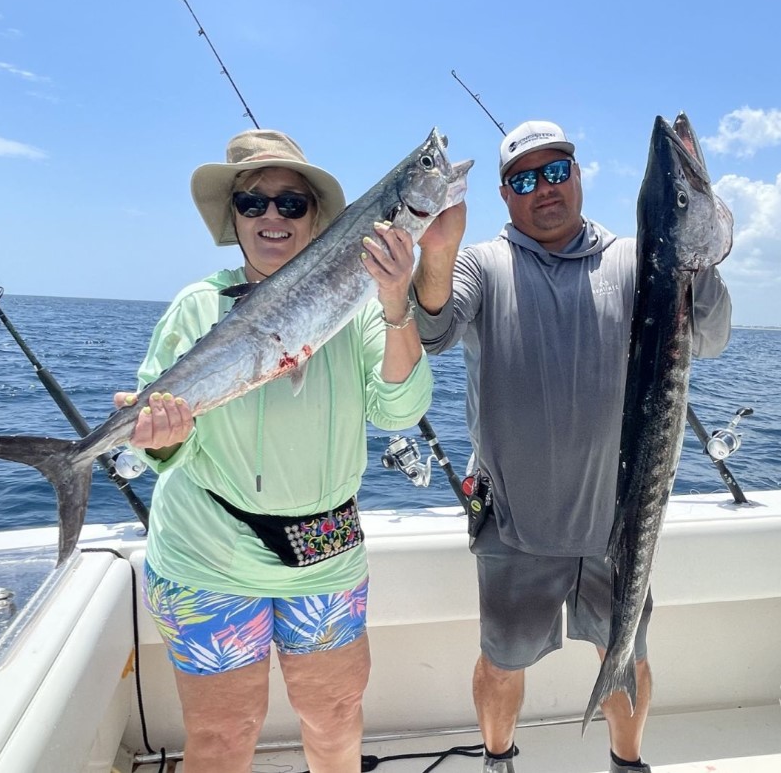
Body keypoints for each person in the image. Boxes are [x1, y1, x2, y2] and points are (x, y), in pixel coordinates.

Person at [412, 120, 732, 773]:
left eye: (556, 170)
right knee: (502, 662)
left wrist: (697, 250)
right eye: (524, 179)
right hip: (513, 522)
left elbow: (711, 336)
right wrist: (436, 252)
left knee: (626, 654)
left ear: (579, 175)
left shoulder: (635, 258)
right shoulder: (483, 264)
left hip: (619, 522)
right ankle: (497, 761)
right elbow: (432, 329)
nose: (545, 188)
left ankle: (626, 765)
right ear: (505, 194)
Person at [115, 129, 433, 773]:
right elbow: (162, 449)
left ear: (315, 216)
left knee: (335, 718)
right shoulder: (198, 306)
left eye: (291, 203)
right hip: (208, 552)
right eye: (252, 201)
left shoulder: (365, 302)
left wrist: (397, 301)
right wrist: (163, 440)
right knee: (222, 737)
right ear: (233, 217)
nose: (271, 215)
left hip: (324, 550)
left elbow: (399, 411)